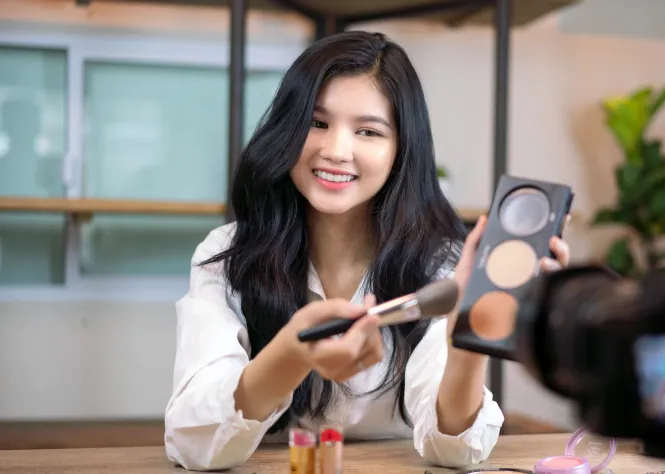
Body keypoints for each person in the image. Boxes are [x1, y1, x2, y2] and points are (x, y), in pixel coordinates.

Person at [163, 31, 571, 472]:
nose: (336, 151)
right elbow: (194, 442)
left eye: (368, 131)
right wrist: (292, 352)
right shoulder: (228, 254)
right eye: (317, 123)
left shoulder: (442, 266)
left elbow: (454, 450)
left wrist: (469, 337)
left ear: (402, 149)